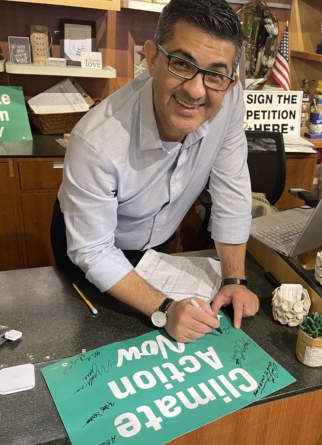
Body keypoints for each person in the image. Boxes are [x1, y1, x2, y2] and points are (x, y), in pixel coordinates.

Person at [51, 0, 259, 343]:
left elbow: (232, 186)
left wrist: (234, 280)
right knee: (97, 338)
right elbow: (93, 250)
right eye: (181, 63)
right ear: (151, 57)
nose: (195, 90)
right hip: (92, 243)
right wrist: (165, 307)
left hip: (155, 243)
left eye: (215, 75)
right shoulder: (96, 142)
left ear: (230, 81)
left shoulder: (229, 102)